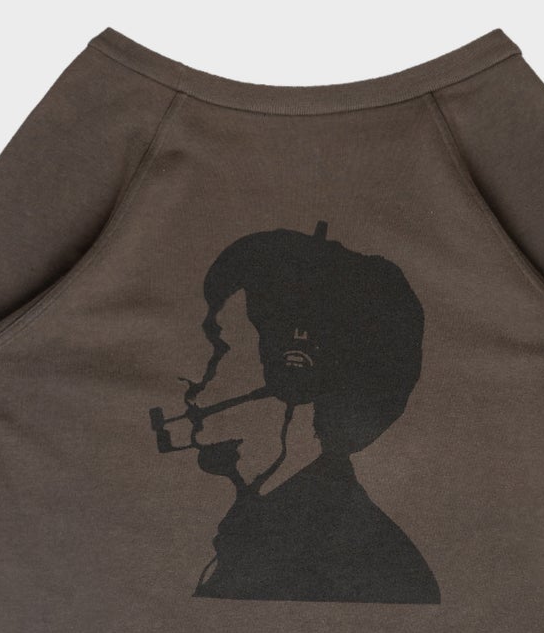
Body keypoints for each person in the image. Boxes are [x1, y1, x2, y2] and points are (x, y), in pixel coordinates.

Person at [150, 221, 440, 603]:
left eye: (218, 350)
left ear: (295, 378)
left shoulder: (376, 572)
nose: (190, 377)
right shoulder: (254, 527)